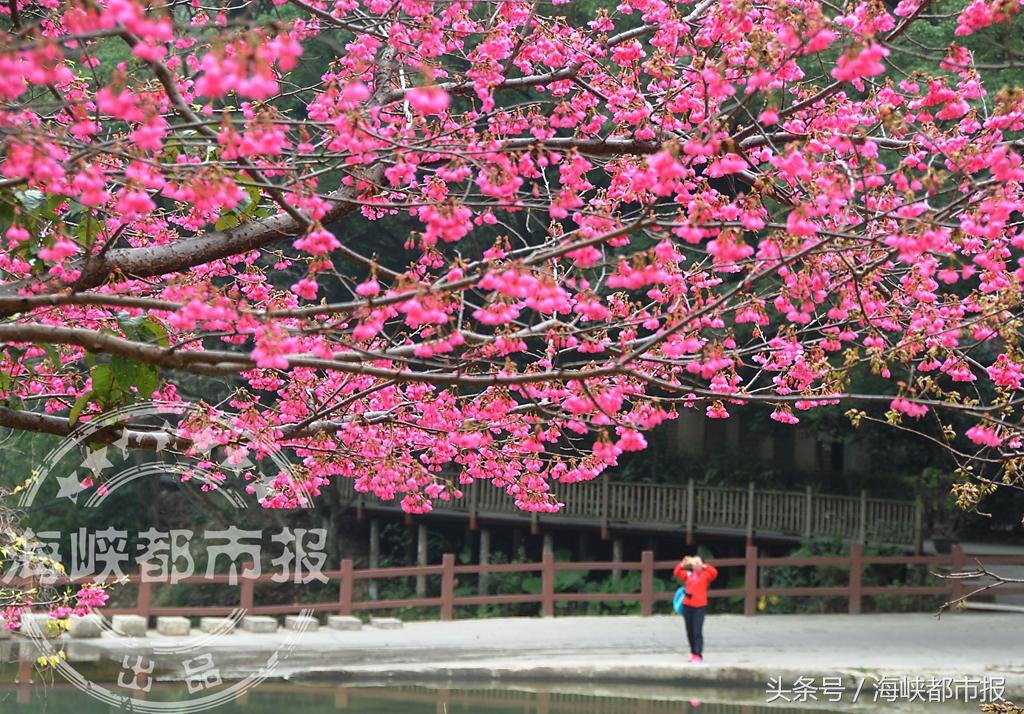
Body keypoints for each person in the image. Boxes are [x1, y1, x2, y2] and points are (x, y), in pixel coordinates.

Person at [673, 554, 718, 663]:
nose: (696, 565)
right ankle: (693, 652)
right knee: (690, 631)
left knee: (697, 630)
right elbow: (677, 572)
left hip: (700, 606)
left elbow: (714, 573)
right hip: (687, 605)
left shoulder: (705, 575)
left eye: (698, 563)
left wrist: (703, 565)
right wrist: (684, 564)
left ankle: (698, 654)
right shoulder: (688, 575)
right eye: (694, 563)